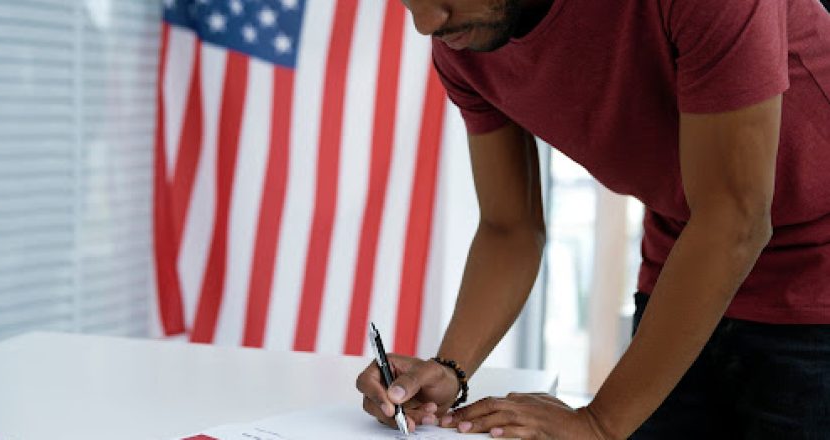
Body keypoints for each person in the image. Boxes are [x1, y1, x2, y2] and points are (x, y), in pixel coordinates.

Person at [355, 0, 830, 438]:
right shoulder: (467, 39)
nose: (427, 23)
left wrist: (599, 424)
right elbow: (510, 228)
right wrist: (450, 370)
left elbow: (736, 220)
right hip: (682, 273)